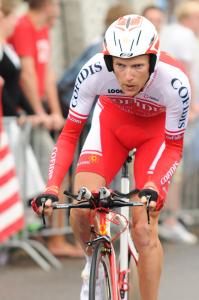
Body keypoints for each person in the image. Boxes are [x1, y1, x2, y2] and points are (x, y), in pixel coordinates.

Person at [32, 15, 191, 300]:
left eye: (137, 66)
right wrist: (52, 187)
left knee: (143, 228)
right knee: (82, 206)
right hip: (111, 129)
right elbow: (69, 135)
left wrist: (154, 186)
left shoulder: (175, 81)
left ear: (152, 61)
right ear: (109, 61)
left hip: (154, 139)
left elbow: (173, 147)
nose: (128, 75)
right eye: (120, 65)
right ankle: (93, 262)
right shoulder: (93, 70)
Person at [9, 0, 83, 258]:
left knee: (54, 171)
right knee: (54, 172)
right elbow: (27, 73)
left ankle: (55, 236)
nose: (60, 6)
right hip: (29, 110)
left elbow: (47, 74)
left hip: (41, 108)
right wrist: (40, 113)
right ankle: (54, 239)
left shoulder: (42, 28)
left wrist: (54, 111)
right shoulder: (24, 26)